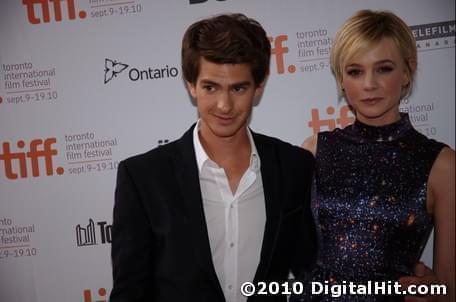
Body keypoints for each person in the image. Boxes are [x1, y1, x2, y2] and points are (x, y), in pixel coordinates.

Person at [109, 13, 316, 302]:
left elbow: (313, 275)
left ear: (259, 86)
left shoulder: (295, 167)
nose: (224, 105)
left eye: (238, 88)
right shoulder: (143, 177)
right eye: (210, 87)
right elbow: (130, 292)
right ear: (191, 85)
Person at [291, 9, 455, 302]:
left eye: (384, 68)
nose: (369, 84)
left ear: (407, 71)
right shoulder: (315, 150)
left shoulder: (441, 165)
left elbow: (449, 289)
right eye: (355, 71)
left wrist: (435, 292)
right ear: (341, 78)